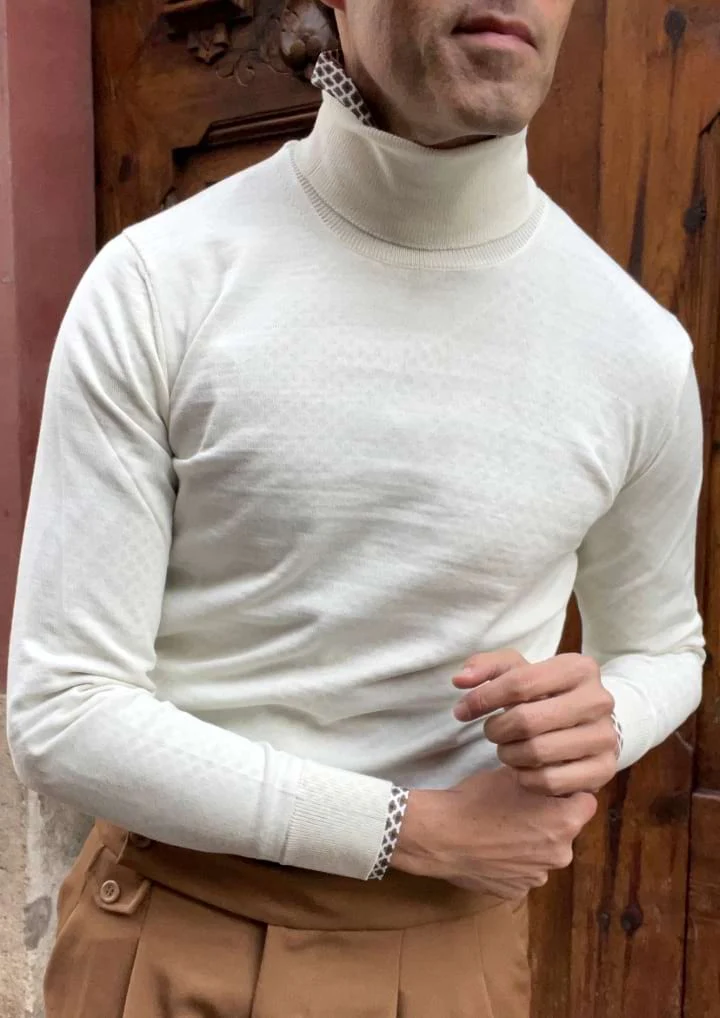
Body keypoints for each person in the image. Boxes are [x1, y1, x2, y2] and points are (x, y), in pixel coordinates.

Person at [6, 0, 704, 1015]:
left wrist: (606, 718)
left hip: (454, 955)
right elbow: (63, 709)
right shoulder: (159, 285)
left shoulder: (636, 348)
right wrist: (407, 829)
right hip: (174, 930)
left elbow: (664, 645)